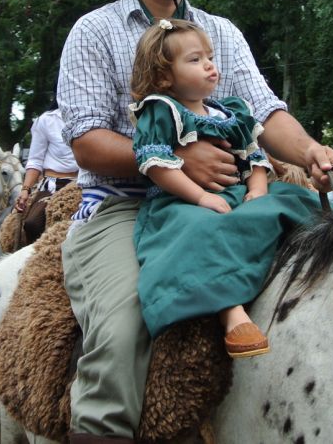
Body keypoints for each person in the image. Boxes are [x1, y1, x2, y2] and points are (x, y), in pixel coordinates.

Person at [56, 0, 333, 443]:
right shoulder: (94, 31)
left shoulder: (219, 33)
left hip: (229, 197)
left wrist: (311, 149)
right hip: (123, 206)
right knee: (119, 333)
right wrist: (177, 161)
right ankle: (101, 426)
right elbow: (86, 138)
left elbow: (263, 112)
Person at [128, 18, 320, 358]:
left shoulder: (228, 112)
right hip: (181, 202)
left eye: (209, 57)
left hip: (236, 194)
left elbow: (253, 158)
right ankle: (231, 311)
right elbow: (155, 165)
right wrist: (201, 195)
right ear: (163, 76)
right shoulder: (162, 111)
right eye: (194, 60)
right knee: (200, 228)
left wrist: (257, 189)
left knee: (296, 198)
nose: (209, 66)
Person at [14, 95, 78, 213]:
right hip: (53, 187)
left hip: (86, 186)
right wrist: (25, 189)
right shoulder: (46, 120)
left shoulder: (95, 118)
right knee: (32, 224)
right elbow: (35, 160)